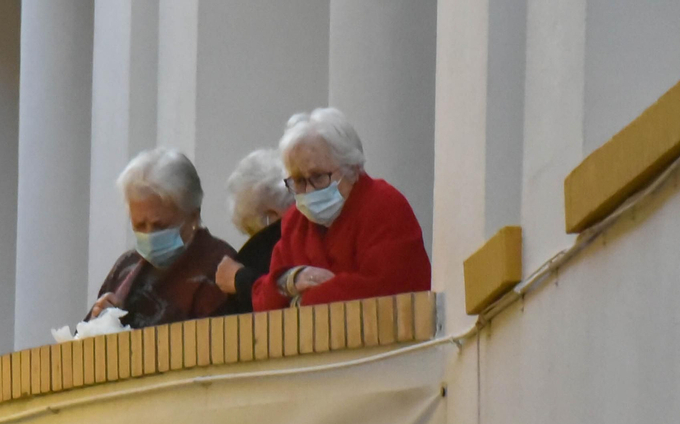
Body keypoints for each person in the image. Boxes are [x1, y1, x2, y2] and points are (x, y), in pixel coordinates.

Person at [252, 108, 431, 311]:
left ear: (352, 169)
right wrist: (293, 279)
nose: (309, 190)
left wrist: (299, 302)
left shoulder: (385, 205)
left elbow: (383, 291)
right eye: (299, 181)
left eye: (318, 177)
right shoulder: (295, 221)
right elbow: (262, 301)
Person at [91, 148, 236, 328]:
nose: (149, 234)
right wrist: (98, 321)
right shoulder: (126, 267)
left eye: (160, 225)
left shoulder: (220, 266)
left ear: (193, 216)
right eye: (139, 225)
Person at [214, 149, 292, 314]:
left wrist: (239, 279)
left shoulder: (269, 245)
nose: (252, 238)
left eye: (250, 229)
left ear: (270, 217)